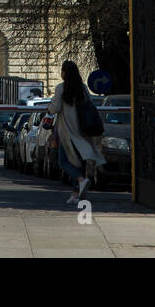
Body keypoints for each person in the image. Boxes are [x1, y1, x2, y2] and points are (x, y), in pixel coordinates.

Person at [49, 60, 106, 204]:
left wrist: (49, 107)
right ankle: (77, 193)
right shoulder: (83, 88)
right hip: (82, 130)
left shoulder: (61, 88)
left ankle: (81, 180)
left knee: (63, 161)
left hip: (68, 131)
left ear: (64, 73)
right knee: (78, 163)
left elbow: (55, 108)